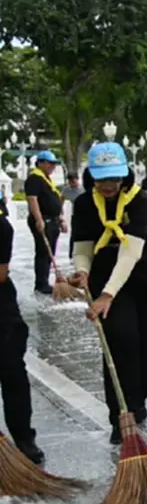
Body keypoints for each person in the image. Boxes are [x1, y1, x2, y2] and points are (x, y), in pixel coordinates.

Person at [69, 143, 147, 445]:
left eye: (114, 177)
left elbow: (130, 254)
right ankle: (120, 416)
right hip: (107, 278)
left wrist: (106, 295)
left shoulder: (137, 200)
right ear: (92, 176)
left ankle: (137, 401)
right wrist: (83, 273)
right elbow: (83, 248)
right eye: (102, 178)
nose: (109, 185)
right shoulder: (84, 205)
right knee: (119, 340)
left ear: (125, 174)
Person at [0, 194, 44, 464]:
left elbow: (0, 273)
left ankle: (24, 438)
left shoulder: (1, 228)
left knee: (11, 371)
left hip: (2, 313)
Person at [23, 150, 66, 295]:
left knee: (50, 252)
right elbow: (32, 199)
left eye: (54, 164)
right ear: (40, 163)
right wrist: (39, 219)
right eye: (50, 163)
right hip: (43, 219)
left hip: (52, 220)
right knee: (43, 251)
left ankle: (45, 280)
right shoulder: (34, 178)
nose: (53, 166)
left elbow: (56, 200)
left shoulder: (46, 179)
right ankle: (41, 284)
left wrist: (60, 218)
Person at [62, 172, 83, 261]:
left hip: (87, 214)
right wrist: (60, 212)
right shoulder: (67, 190)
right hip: (75, 214)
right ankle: (71, 255)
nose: (73, 183)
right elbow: (61, 199)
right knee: (74, 234)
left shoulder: (83, 188)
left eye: (74, 181)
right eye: (71, 181)